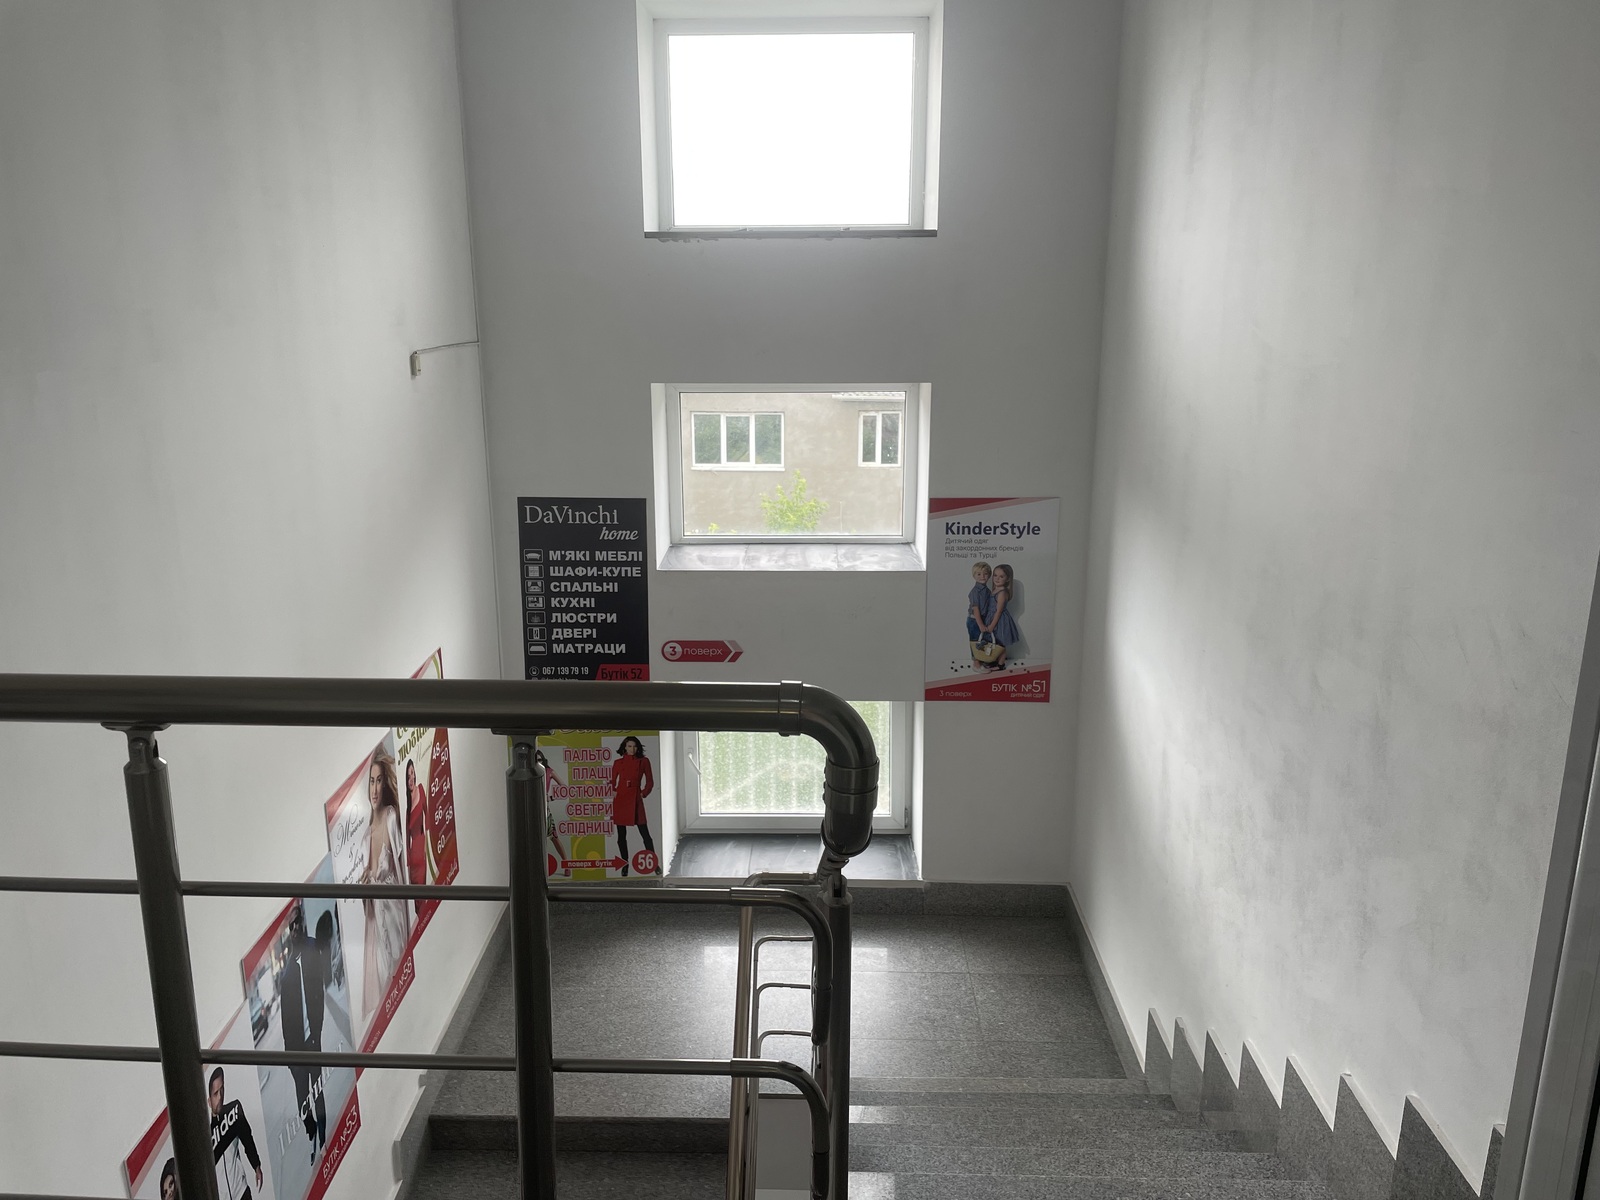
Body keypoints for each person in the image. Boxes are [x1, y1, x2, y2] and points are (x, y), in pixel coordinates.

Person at [362, 749, 411, 1018]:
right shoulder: (365, 837)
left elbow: (402, 866)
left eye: (379, 781)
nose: (375, 789)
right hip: (379, 913)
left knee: (400, 962)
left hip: (394, 908)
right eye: (371, 781)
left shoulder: (391, 817)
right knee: (385, 973)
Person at [278, 908, 327, 1162]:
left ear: (303, 923)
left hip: (312, 1040)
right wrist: (290, 1058)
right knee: (303, 1102)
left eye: (297, 923)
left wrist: (317, 1029)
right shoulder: (286, 976)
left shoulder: (311, 950)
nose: (295, 928)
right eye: (291, 926)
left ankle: (323, 1138)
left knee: (318, 1091)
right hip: (297, 1049)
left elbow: (319, 990)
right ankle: (311, 1130)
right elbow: (286, 1021)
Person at [208, 1067, 264, 1200]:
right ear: (209, 1101)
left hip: (241, 1192)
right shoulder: (205, 1135)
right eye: (215, 1093)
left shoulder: (233, 1112)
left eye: (222, 1090)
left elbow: (247, 1138)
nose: (220, 1097)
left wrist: (256, 1166)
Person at [610, 736, 658, 876]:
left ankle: (654, 863)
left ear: (638, 747)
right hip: (621, 799)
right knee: (621, 835)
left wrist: (643, 793)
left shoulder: (644, 761)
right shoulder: (618, 762)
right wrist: (613, 791)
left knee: (645, 834)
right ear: (624, 747)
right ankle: (624, 864)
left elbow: (650, 781)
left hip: (636, 797)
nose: (632, 749)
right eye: (629, 746)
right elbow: (612, 780)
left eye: (635, 746)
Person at [403, 757, 434, 916]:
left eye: (412, 773)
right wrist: (409, 864)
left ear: (415, 774)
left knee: (423, 887)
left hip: (422, 847)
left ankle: (422, 913)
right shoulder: (407, 808)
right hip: (414, 853)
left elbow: (427, 816)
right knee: (417, 891)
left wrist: (427, 843)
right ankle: (420, 913)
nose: (411, 778)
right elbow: (407, 837)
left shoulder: (421, 790)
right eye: (408, 776)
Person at [980, 563, 1023, 669]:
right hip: (991, 617)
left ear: (1007, 579)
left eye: (1001, 576)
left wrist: (991, 625)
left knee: (1000, 642)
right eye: (995, 575)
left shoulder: (1002, 592)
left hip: (1000, 620)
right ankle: (994, 660)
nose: (997, 578)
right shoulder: (995, 590)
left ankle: (1001, 663)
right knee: (993, 641)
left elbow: (998, 612)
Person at [534, 749, 570, 877]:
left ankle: (566, 864)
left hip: (545, 808)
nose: (538, 763)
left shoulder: (549, 772)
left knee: (554, 837)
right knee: (534, 838)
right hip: (532, 808)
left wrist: (551, 798)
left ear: (543, 760)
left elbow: (564, 788)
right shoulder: (529, 772)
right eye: (535, 761)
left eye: (540, 760)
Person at [966, 561, 996, 669]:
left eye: (985, 574)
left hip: (984, 619)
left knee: (984, 640)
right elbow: (976, 609)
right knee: (975, 641)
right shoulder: (975, 592)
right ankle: (976, 663)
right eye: (979, 574)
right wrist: (980, 624)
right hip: (975, 620)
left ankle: (984, 660)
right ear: (974, 576)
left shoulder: (987, 591)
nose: (982, 576)